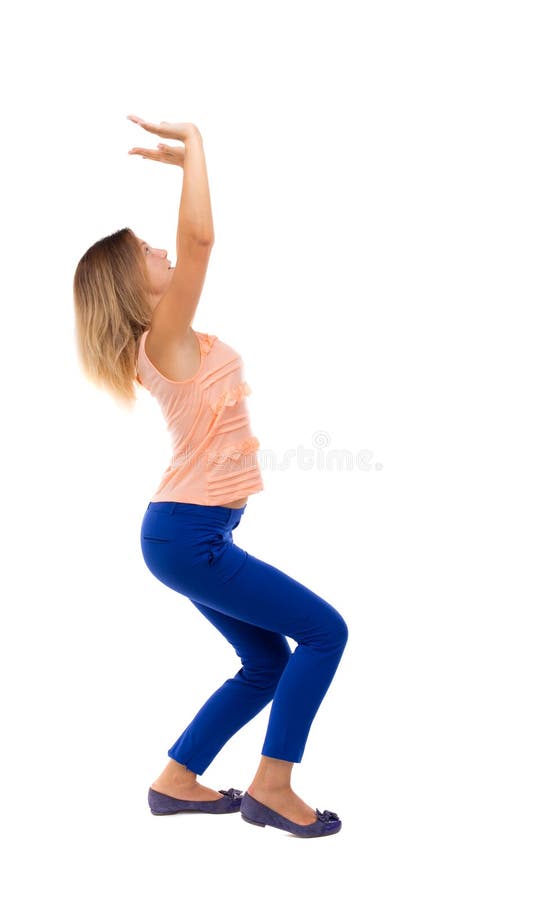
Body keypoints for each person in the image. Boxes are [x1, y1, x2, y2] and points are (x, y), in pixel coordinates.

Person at [72, 116, 348, 838]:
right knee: (325, 633)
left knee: (265, 662)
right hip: (189, 535)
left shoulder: (166, 338)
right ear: (129, 283)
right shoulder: (161, 335)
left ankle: (175, 781)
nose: (159, 248)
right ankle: (273, 788)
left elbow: (185, 244)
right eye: (142, 249)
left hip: (187, 531)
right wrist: (195, 146)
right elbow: (199, 240)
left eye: (151, 241)